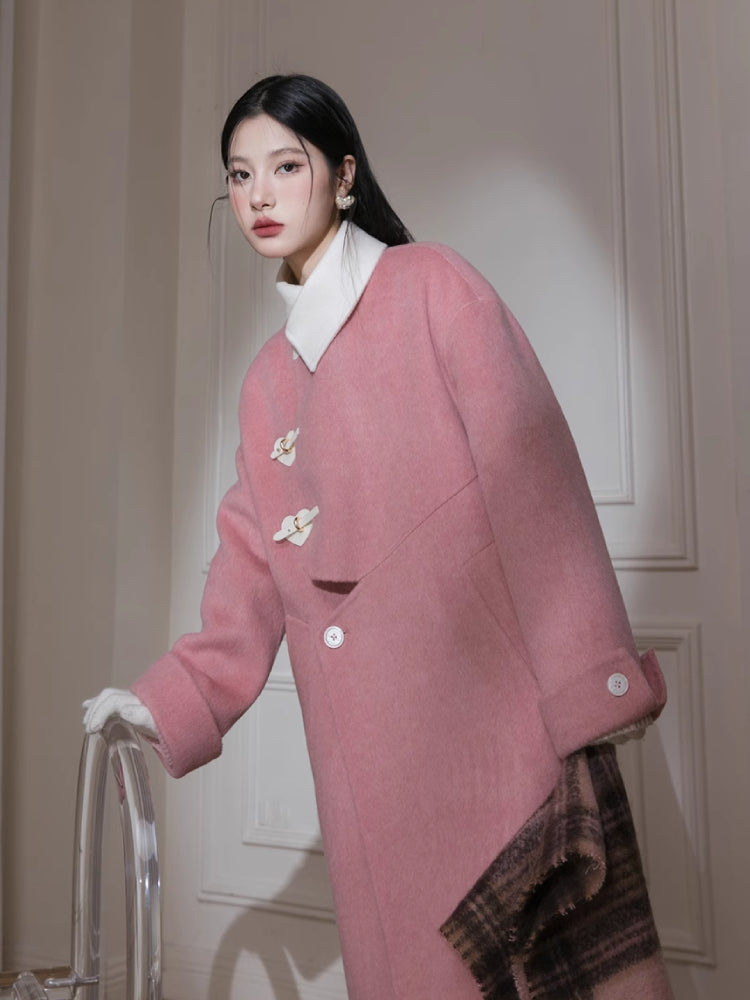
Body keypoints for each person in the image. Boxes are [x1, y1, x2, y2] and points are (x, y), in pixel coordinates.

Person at [84, 75, 674, 1000]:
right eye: (240, 175)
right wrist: (169, 700)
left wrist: (586, 700)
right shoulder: (266, 380)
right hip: (368, 774)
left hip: (494, 737)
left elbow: (539, 492)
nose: (260, 194)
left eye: (287, 166)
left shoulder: (433, 285)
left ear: (345, 174)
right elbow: (249, 569)